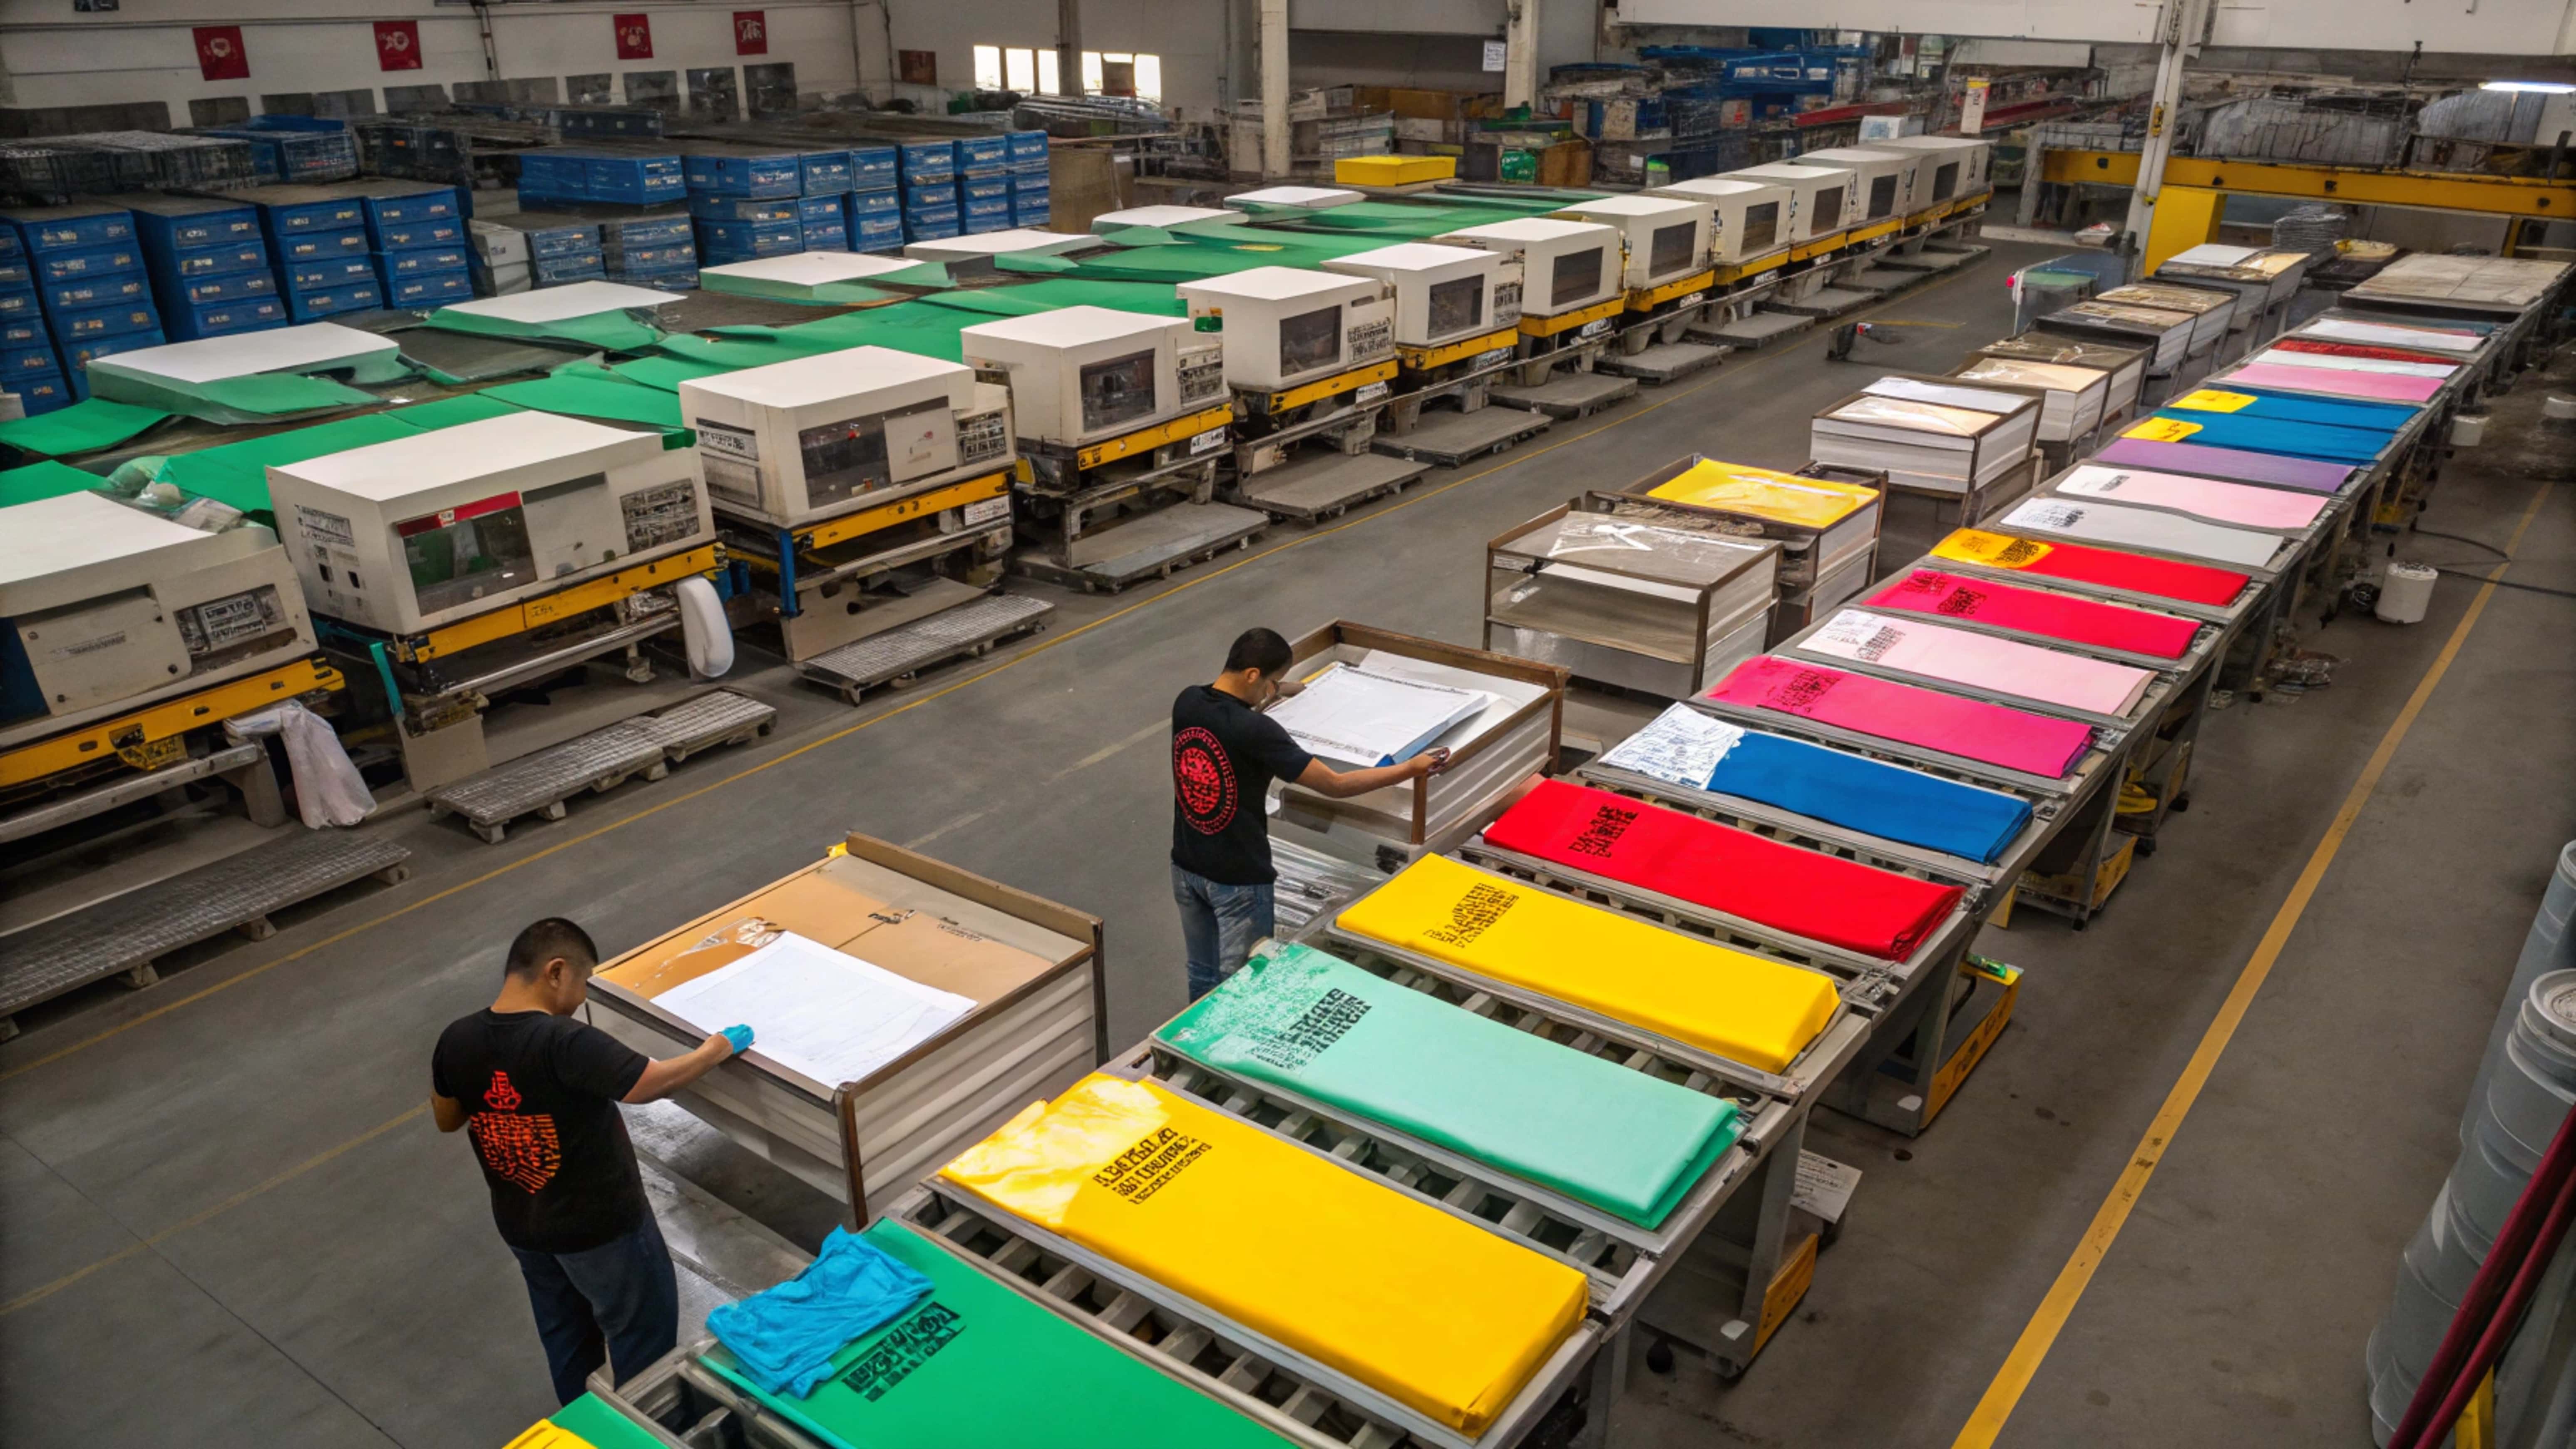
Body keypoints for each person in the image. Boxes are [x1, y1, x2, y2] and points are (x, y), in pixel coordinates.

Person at [431, 917, 752, 1406]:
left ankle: (588, 1429)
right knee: (643, 1339)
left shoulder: (456, 1038)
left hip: (524, 1225)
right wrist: (717, 1048)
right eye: (583, 982)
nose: (581, 998)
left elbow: (447, 1117)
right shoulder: (562, 1040)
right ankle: (645, 1428)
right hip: (601, 1227)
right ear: (555, 971)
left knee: (566, 1338)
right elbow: (650, 1083)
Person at [1171, 627, 1449, 999]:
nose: (1273, 689)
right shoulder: (1256, 730)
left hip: (1187, 866)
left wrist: (1284, 691)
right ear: (1253, 675)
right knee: (1245, 987)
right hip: (1237, 876)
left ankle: (1190, 1045)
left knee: (1202, 974)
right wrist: (1410, 769)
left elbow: (1230, 708)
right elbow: (1335, 785)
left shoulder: (1187, 702)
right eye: (1272, 682)